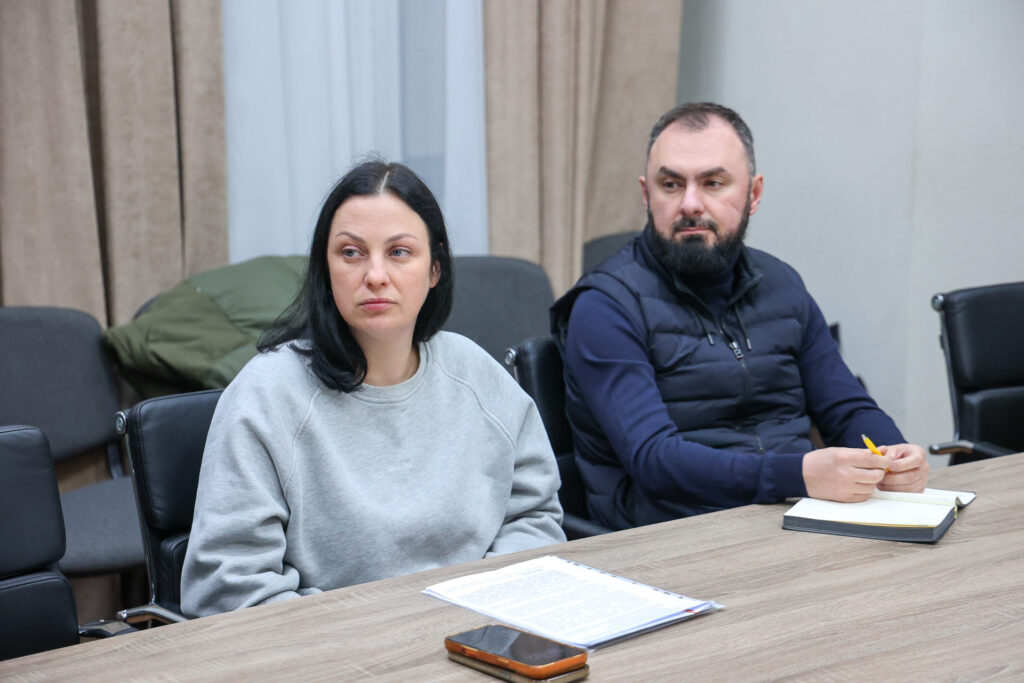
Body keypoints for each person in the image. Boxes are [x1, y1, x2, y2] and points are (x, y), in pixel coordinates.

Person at [182, 161, 565, 617]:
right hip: (334, 647)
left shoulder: (476, 373)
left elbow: (534, 518)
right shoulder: (266, 396)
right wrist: (373, 634)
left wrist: (475, 611)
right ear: (325, 269)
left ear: (435, 269)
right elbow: (227, 585)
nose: (376, 275)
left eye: (399, 252)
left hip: (477, 632)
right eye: (351, 253)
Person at [551, 102, 929, 531]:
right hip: (671, 533)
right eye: (671, 185)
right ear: (646, 195)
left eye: (713, 183)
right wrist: (799, 476)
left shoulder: (781, 284)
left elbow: (845, 407)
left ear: (754, 193)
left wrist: (894, 454)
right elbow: (654, 460)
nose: (690, 204)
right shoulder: (605, 306)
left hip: (794, 514)